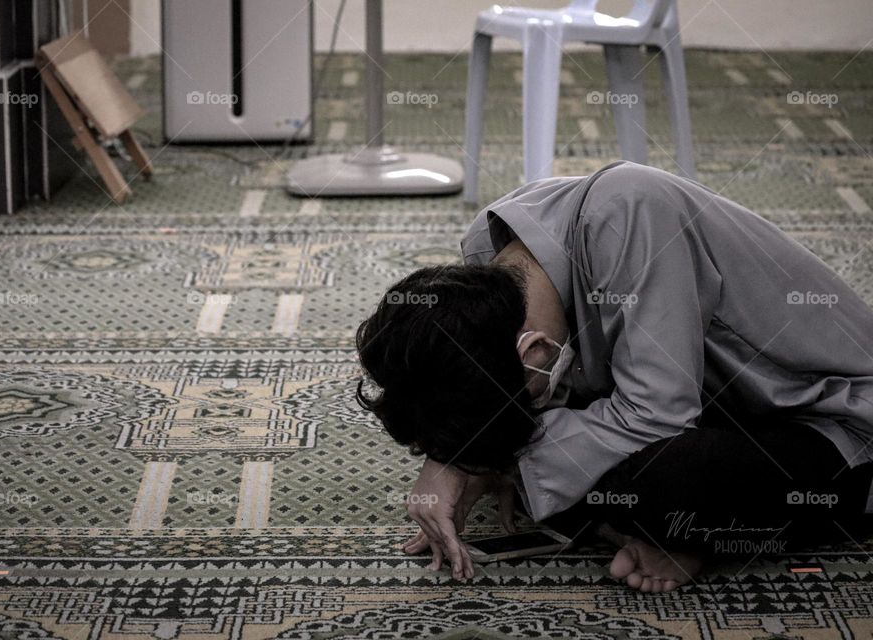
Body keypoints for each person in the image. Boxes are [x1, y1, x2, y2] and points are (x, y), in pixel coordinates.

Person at [355, 161, 873, 593]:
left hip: (831, 417)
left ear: (533, 349)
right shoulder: (494, 261)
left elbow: (657, 416)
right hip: (708, 402)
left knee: (664, 485)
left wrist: (480, 461)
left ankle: (683, 533)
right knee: (565, 462)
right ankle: (659, 535)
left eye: (526, 393)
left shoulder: (631, 213)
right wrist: (455, 455)